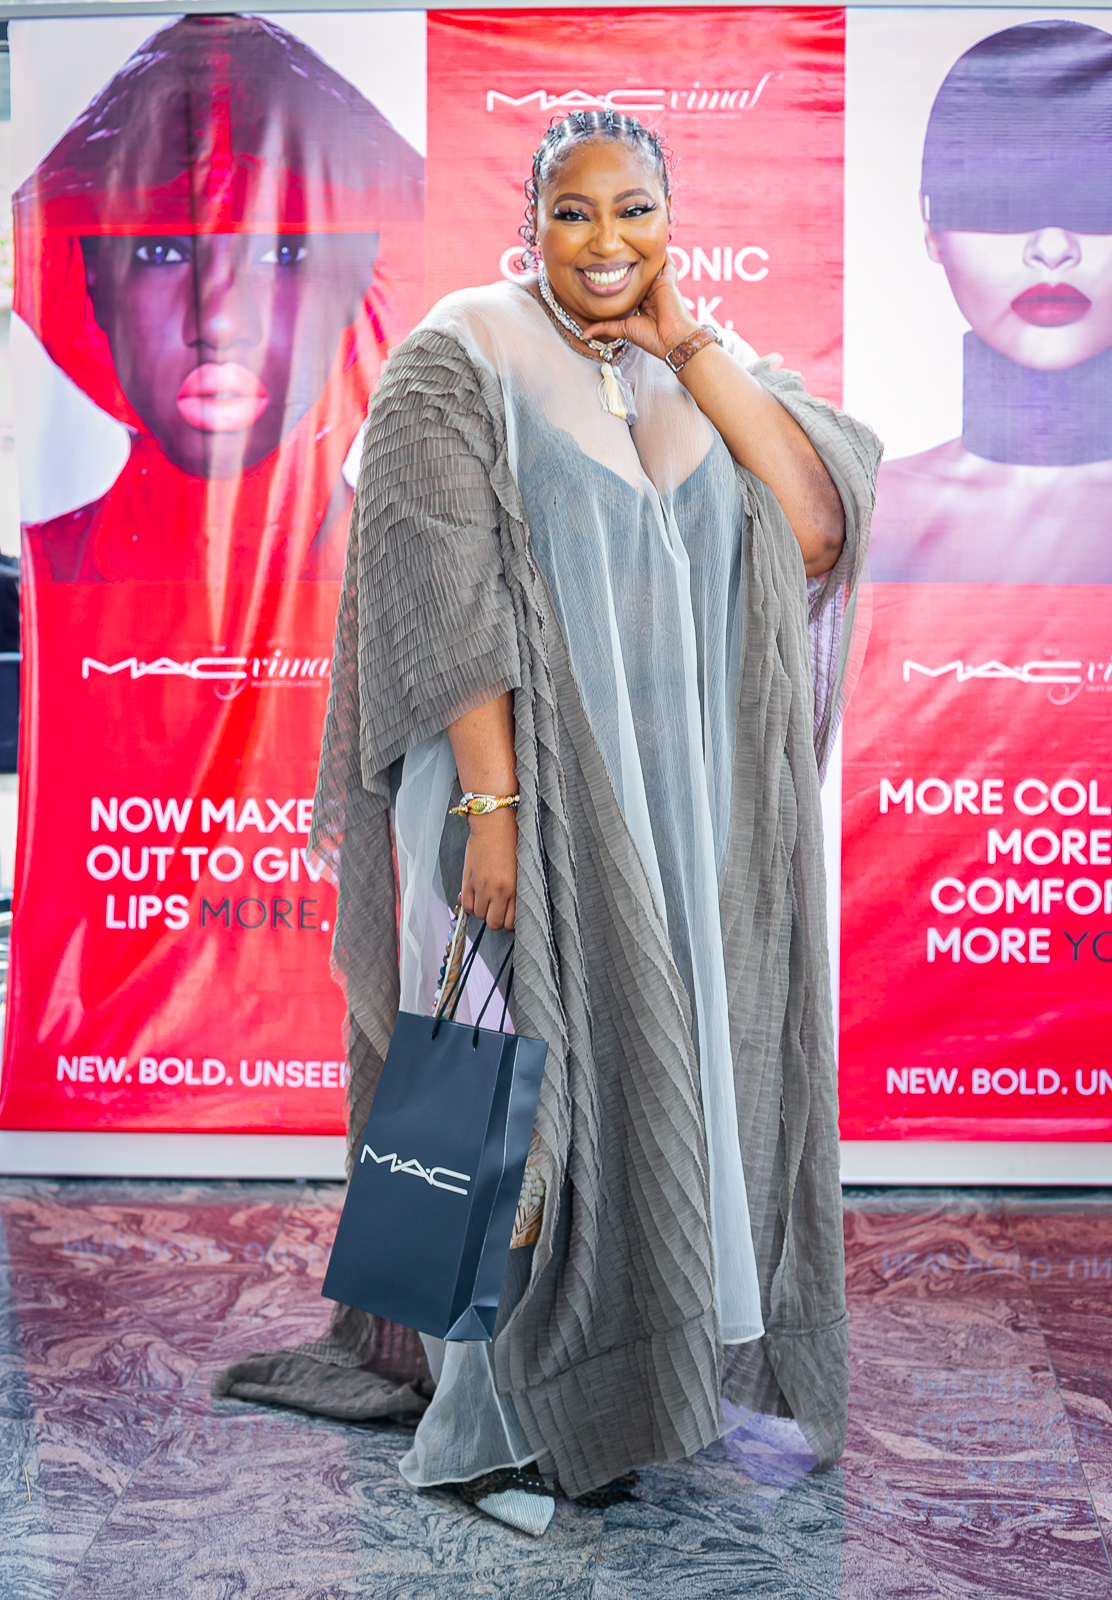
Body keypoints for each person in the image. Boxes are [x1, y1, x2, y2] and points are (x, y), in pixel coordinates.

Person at [216, 111, 878, 1535]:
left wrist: (683, 340)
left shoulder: (706, 367)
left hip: (674, 814)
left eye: (634, 210)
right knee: (499, 1095)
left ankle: (617, 1388)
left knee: (651, 1093)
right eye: (574, 212)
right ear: (529, 223)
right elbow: (442, 604)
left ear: (671, 222)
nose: (605, 240)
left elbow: (817, 528)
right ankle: (492, 1419)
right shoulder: (460, 354)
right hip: (512, 798)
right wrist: (496, 819)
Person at [13, 13, 423, 585]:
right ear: (94, 280)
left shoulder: (423, 588)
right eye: (161, 253)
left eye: (283, 253)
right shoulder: (43, 584)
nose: (221, 322)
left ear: (357, 279)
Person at [871, 21, 1112, 583]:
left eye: (1096, 204)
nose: (1052, 249)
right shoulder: (869, 514)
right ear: (931, 226)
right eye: (1002, 202)